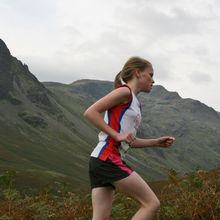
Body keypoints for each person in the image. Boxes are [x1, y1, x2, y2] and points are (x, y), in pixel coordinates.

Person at [84, 56, 175, 220]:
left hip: (99, 160)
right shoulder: (124, 92)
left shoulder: (135, 103)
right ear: (138, 73)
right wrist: (116, 134)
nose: (153, 80)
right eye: (150, 75)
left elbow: (128, 141)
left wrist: (156, 142)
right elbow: (90, 112)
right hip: (108, 157)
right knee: (151, 204)